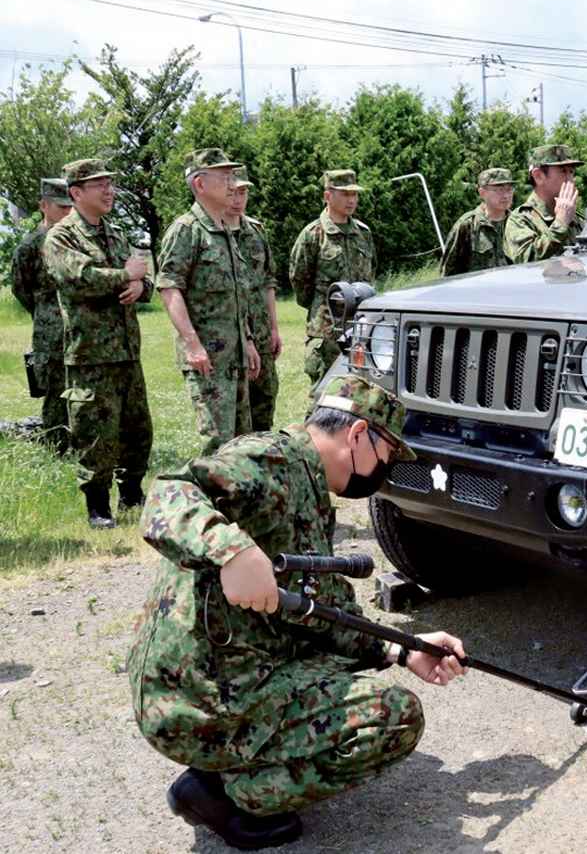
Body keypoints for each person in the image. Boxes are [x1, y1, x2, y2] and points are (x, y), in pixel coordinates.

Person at [128, 374, 465, 851]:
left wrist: (405, 649)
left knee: (347, 667)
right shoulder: (270, 461)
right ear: (357, 435)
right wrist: (231, 550)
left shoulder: (307, 485)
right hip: (196, 697)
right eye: (384, 458)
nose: (381, 473)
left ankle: (230, 764)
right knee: (393, 716)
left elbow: (322, 609)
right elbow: (168, 495)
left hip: (229, 674)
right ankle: (224, 793)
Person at [42, 158, 154, 529]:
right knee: (95, 434)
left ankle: (133, 494)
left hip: (126, 352)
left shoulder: (115, 233)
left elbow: (143, 277)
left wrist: (140, 286)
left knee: (137, 428)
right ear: (75, 194)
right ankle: (98, 507)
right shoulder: (61, 237)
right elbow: (77, 278)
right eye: (98, 185)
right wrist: (126, 275)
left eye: (110, 183)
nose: (109, 191)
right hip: (91, 355)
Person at [157, 148, 261, 455]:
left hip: (236, 354)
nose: (232, 185)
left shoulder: (226, 230)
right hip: (208, 361)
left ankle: (236, 502)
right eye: (224, 177)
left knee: (242, 442)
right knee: (218, 444)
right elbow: (169, 287)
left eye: (232, 176)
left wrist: (249, 341)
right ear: (200, 184)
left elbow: (236, 295)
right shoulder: (186, 230)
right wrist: (192, 344)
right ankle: (212, 500)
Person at [289, 170, 377, 385]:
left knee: (360, 388)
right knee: (323, 391)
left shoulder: (363, 233)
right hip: (326, 330)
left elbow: (371, 272)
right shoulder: (313, 234)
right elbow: (299, 279)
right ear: (328, 196)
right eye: (345, 194)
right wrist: (323, 308)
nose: (352, 200)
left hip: (360, 325)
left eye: (354, 194)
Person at [11, 177, 74, 452]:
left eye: (71, 207)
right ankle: (57, 447)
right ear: (43, 206)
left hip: (82, 327)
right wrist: (45, 314)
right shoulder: (30, 245)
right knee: (56, 390)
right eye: (62, 207)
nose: (68, 213)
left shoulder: (77, 239)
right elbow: (20, 288)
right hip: (50, 332)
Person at [226, 166, 282, 431]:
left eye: (244, 192)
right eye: (233, 192)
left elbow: (268, 281)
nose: (238, 199)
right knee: (237, 414)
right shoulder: (214, 232)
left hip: (260, 335)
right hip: (230, 339)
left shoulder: (256, 231)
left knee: (265, 403)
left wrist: (274, 328)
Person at [503, 144, 586, 264]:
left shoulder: (576, 217)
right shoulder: (521, 219)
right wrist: (561, 223)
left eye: (571, 171)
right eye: (563, 171)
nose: (570, 179)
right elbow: (526, 261)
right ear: (538, 176)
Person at [440, 167, 516, 276]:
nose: (505, 195)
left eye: (509, 189)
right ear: (482, 193)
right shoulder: (468, 225)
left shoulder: (519, 223)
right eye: (498, 190)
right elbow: (449, 272)